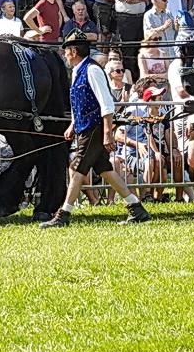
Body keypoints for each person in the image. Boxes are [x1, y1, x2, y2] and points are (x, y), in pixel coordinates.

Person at [38, 34, 153, 227]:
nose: (65, 55)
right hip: (84, 127)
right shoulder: (77, 71)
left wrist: (107, 132)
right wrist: (73, 125)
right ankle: (136, 208)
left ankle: (63, 215)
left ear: (74, 51)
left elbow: (106, 103)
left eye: (66, 51)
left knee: (76, 169)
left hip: (94, 127)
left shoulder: (92, 70)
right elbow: (78, 103)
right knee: (105, 169)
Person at [140, 0, 176, 78]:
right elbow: (149, 33)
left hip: (172, 52)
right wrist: (163, 27)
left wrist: (177, 24)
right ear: (155, 1)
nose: (166, 2)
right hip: (159, 54)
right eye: (164, 0)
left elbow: (175, 29)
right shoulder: (148, 15)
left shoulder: (168, 13)